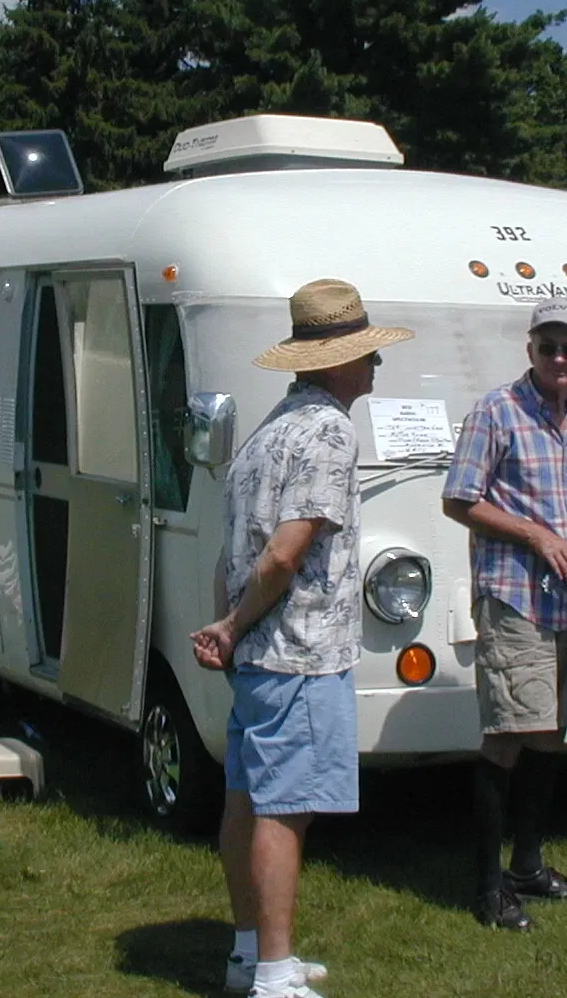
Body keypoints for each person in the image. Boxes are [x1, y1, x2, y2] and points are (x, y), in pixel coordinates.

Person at [191, 278, 412, 998]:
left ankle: (249, 953)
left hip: (260, 654)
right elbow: (285, 553)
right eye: (365, 355)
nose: (375, 367)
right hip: (300, 652)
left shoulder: (268, 432)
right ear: (334, 360)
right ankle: (277, 976)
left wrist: (230, 627)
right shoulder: (327, 432)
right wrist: (233, 623)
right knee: (285, 810)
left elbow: (231, 551)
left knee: (246, 802)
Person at [441, 296, 567, 932]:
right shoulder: (496, 410)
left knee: (550, 728)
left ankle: (528, 865)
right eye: (548, 346)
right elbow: (460, 499)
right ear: (530, 350)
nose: (560, 358)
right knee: (509, 733)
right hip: (516, 593)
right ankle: (489, 887)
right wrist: (535, 536)